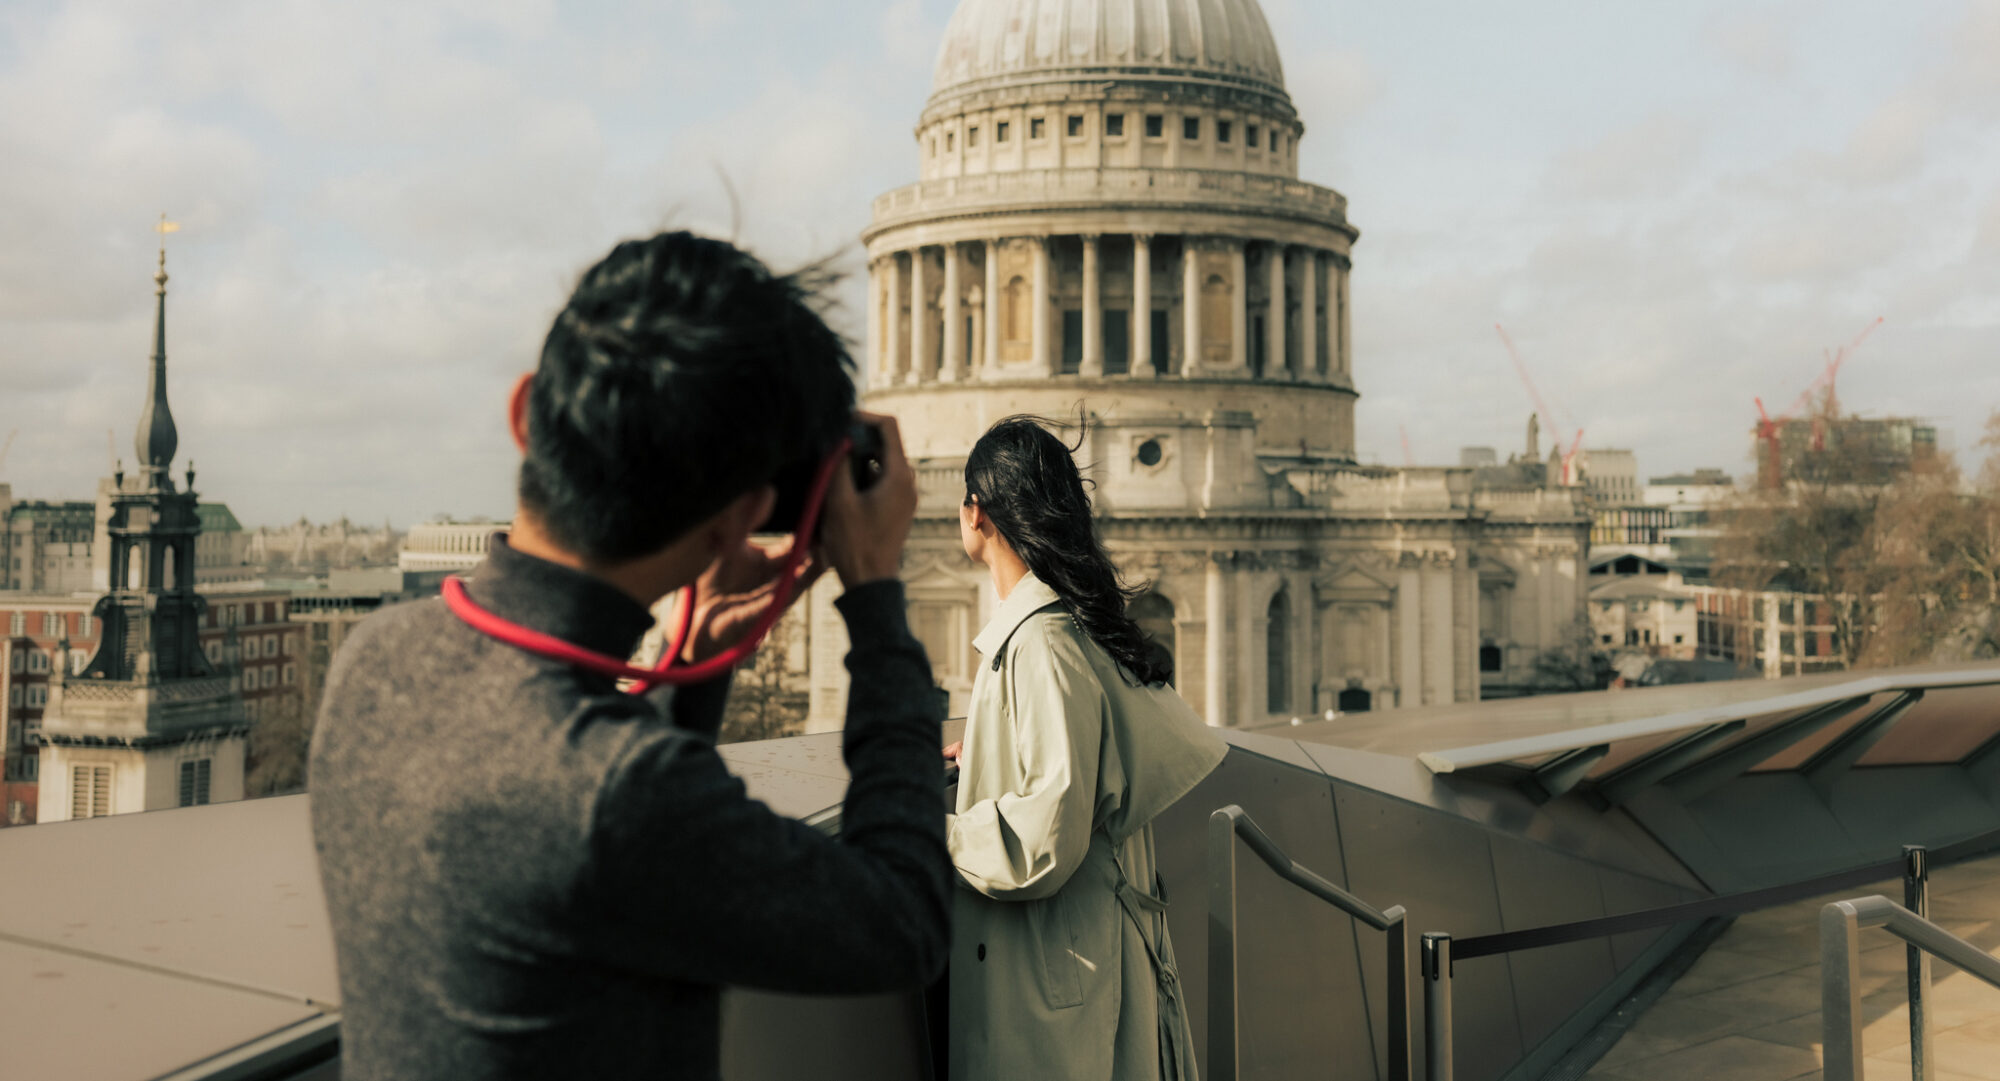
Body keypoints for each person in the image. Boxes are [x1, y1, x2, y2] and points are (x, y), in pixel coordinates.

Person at [309, 231, 951, 1080]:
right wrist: (874, 599)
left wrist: (698, 658)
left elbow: (595, 826)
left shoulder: (374, 659)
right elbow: (902, 923)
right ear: (735, 519)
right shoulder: (618, 791)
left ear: (525, 415)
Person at [944, 415, 1228, 1081]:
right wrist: (987, 752)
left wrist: (939, 831)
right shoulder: (1068, 624)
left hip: (1057, 972)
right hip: (1076, 954)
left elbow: (1047, 834)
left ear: (976, 512)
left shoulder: (1042, 642)